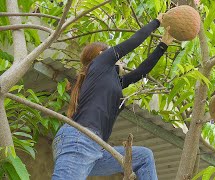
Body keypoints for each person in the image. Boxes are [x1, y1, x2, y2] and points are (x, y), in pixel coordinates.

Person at [51, 14, 173, 180]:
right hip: (81, 140)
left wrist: (163, 45)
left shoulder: (112, 81)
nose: (122, 61)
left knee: (144, 157)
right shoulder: (99, 64)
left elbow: (141, 72)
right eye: (118, 58)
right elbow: (132, 42)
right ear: (102, 53)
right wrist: (157, 22)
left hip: (96, 148)